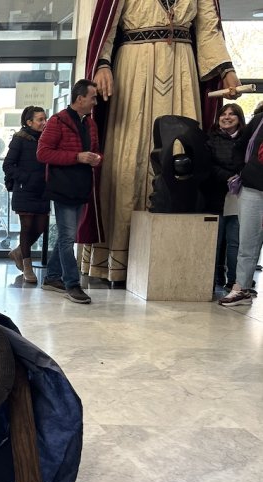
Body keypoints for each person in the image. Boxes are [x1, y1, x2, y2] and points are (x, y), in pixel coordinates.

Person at [82, 0, 241, 282]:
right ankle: (119, 256)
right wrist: (102, 64)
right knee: (131, 155)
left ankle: (176, 258)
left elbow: (208, 27)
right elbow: (107, 25)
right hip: (134, 65)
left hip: (182, 65)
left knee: (184, 154)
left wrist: (226, 70)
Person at [36, 79, 101, 305]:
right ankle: (72, 284)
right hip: (62, 187)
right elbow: (43, 153)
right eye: (93, 97)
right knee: (67, 237)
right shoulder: (58, 121)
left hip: (82, 187)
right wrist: (77, 157)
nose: (95, 101)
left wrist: (95, 159)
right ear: (80, 98)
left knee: (67, 235)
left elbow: (94, 151)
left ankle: (52, 277)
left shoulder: (90, 124)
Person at [218, 109, 263, 306]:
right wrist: (243, 170)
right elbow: (240, 146)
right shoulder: (259, 120)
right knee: (247, 240)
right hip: (254, 187)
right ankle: (241, 289)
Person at [2, 106, 48, 283]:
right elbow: (8, 165)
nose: (44, 123)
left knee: (41, 226)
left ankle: (18, 252)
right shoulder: (19, 139)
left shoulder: (47, 139)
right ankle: (27, 266)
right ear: (29, 122)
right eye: (40, 120)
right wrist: (27, 178)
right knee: (27, 227)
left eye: (45, 119)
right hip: (25, 190)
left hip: (43, 190)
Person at [203, 104, 245, 290]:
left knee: (235, 241)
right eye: (223, 114)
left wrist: (240, 177)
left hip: (238, 196)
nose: (227, 117)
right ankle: (210, 281)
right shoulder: (210, 139)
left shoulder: (246, 140)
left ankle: (234, 281)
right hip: (214, 195)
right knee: (215, 241)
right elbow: (207, 165)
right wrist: (227, 177)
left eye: (232, 114)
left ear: (239, 119)